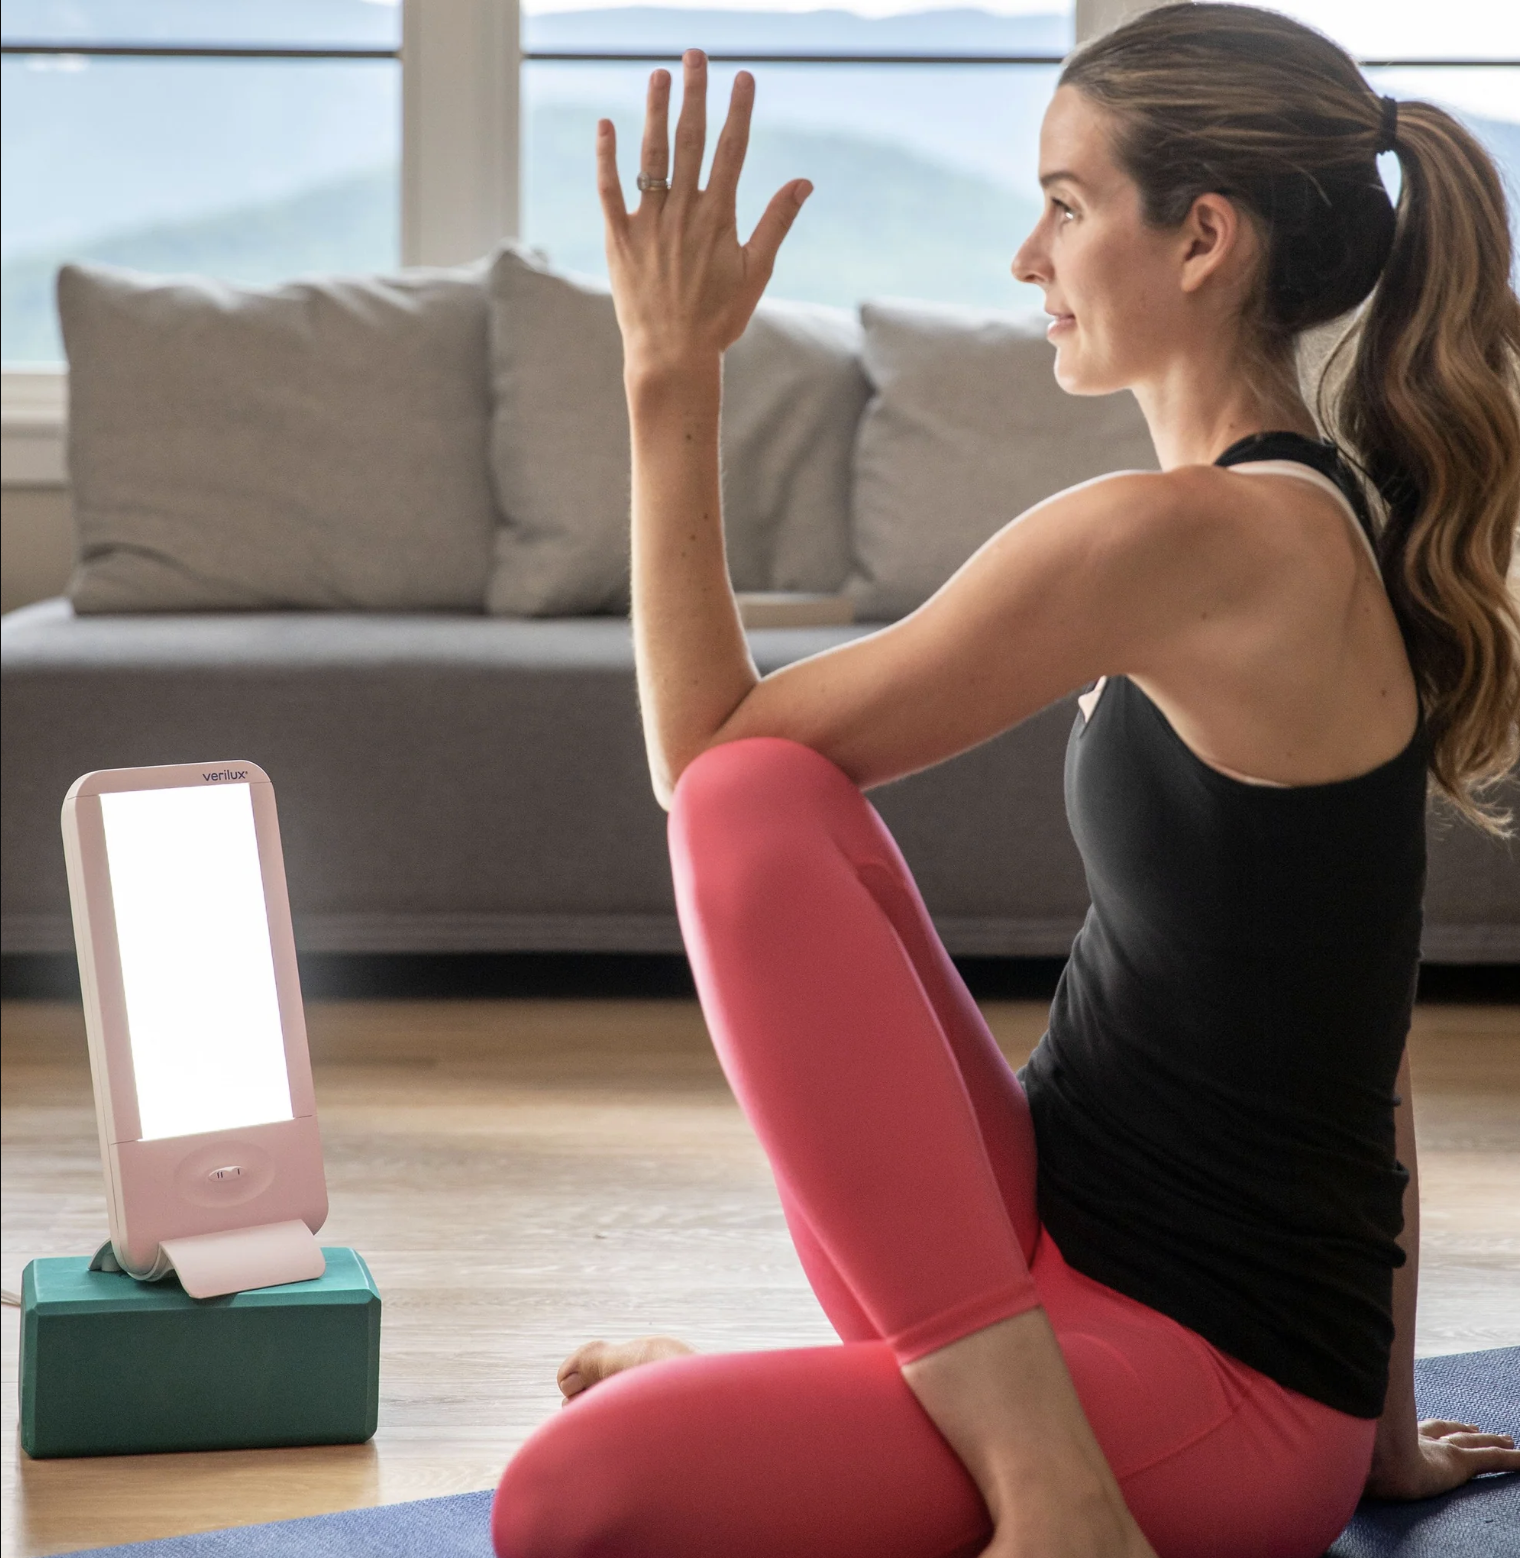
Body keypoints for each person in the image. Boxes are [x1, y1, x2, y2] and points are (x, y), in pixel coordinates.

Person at [491, 6, 1520, 1555]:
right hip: (1042, 1250)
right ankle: (960, 1423)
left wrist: (667, 367)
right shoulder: (1288, 523)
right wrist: (1380, 1440)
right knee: (765, 806)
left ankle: (1054, 1503)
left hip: (1214, 1386)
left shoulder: (1193, 541)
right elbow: (1356, 1043)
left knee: (569, 1498)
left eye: (1064, 204)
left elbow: (694, 743)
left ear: (1204, 240)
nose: (1026, 261)